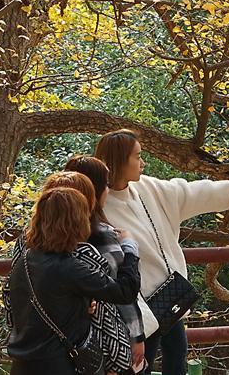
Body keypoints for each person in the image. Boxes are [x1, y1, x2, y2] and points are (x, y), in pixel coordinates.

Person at [95, 129, 229, 375]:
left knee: (177, 359)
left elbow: (189, 193)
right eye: (137, 156)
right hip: (137, 306)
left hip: (168, 296)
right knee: (141, 365)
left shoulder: (147, 188)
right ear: (120, 161)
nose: (143, 162)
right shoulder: (99, 205)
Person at [6, 185, 141, 375]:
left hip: (23, 364)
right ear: (75, 221)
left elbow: (42, 304)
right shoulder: (69, 267)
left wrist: (81, 306)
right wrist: (130, 247)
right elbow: (125, 291)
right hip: (59, 364)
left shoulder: (25, 260)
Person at [66, 155, 147, 374]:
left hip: (59, 346)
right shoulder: (101, 235)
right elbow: (123, 292)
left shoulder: (36, 241)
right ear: (96, 190)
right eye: (106, 185)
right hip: (104, 346)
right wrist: (137, 336)